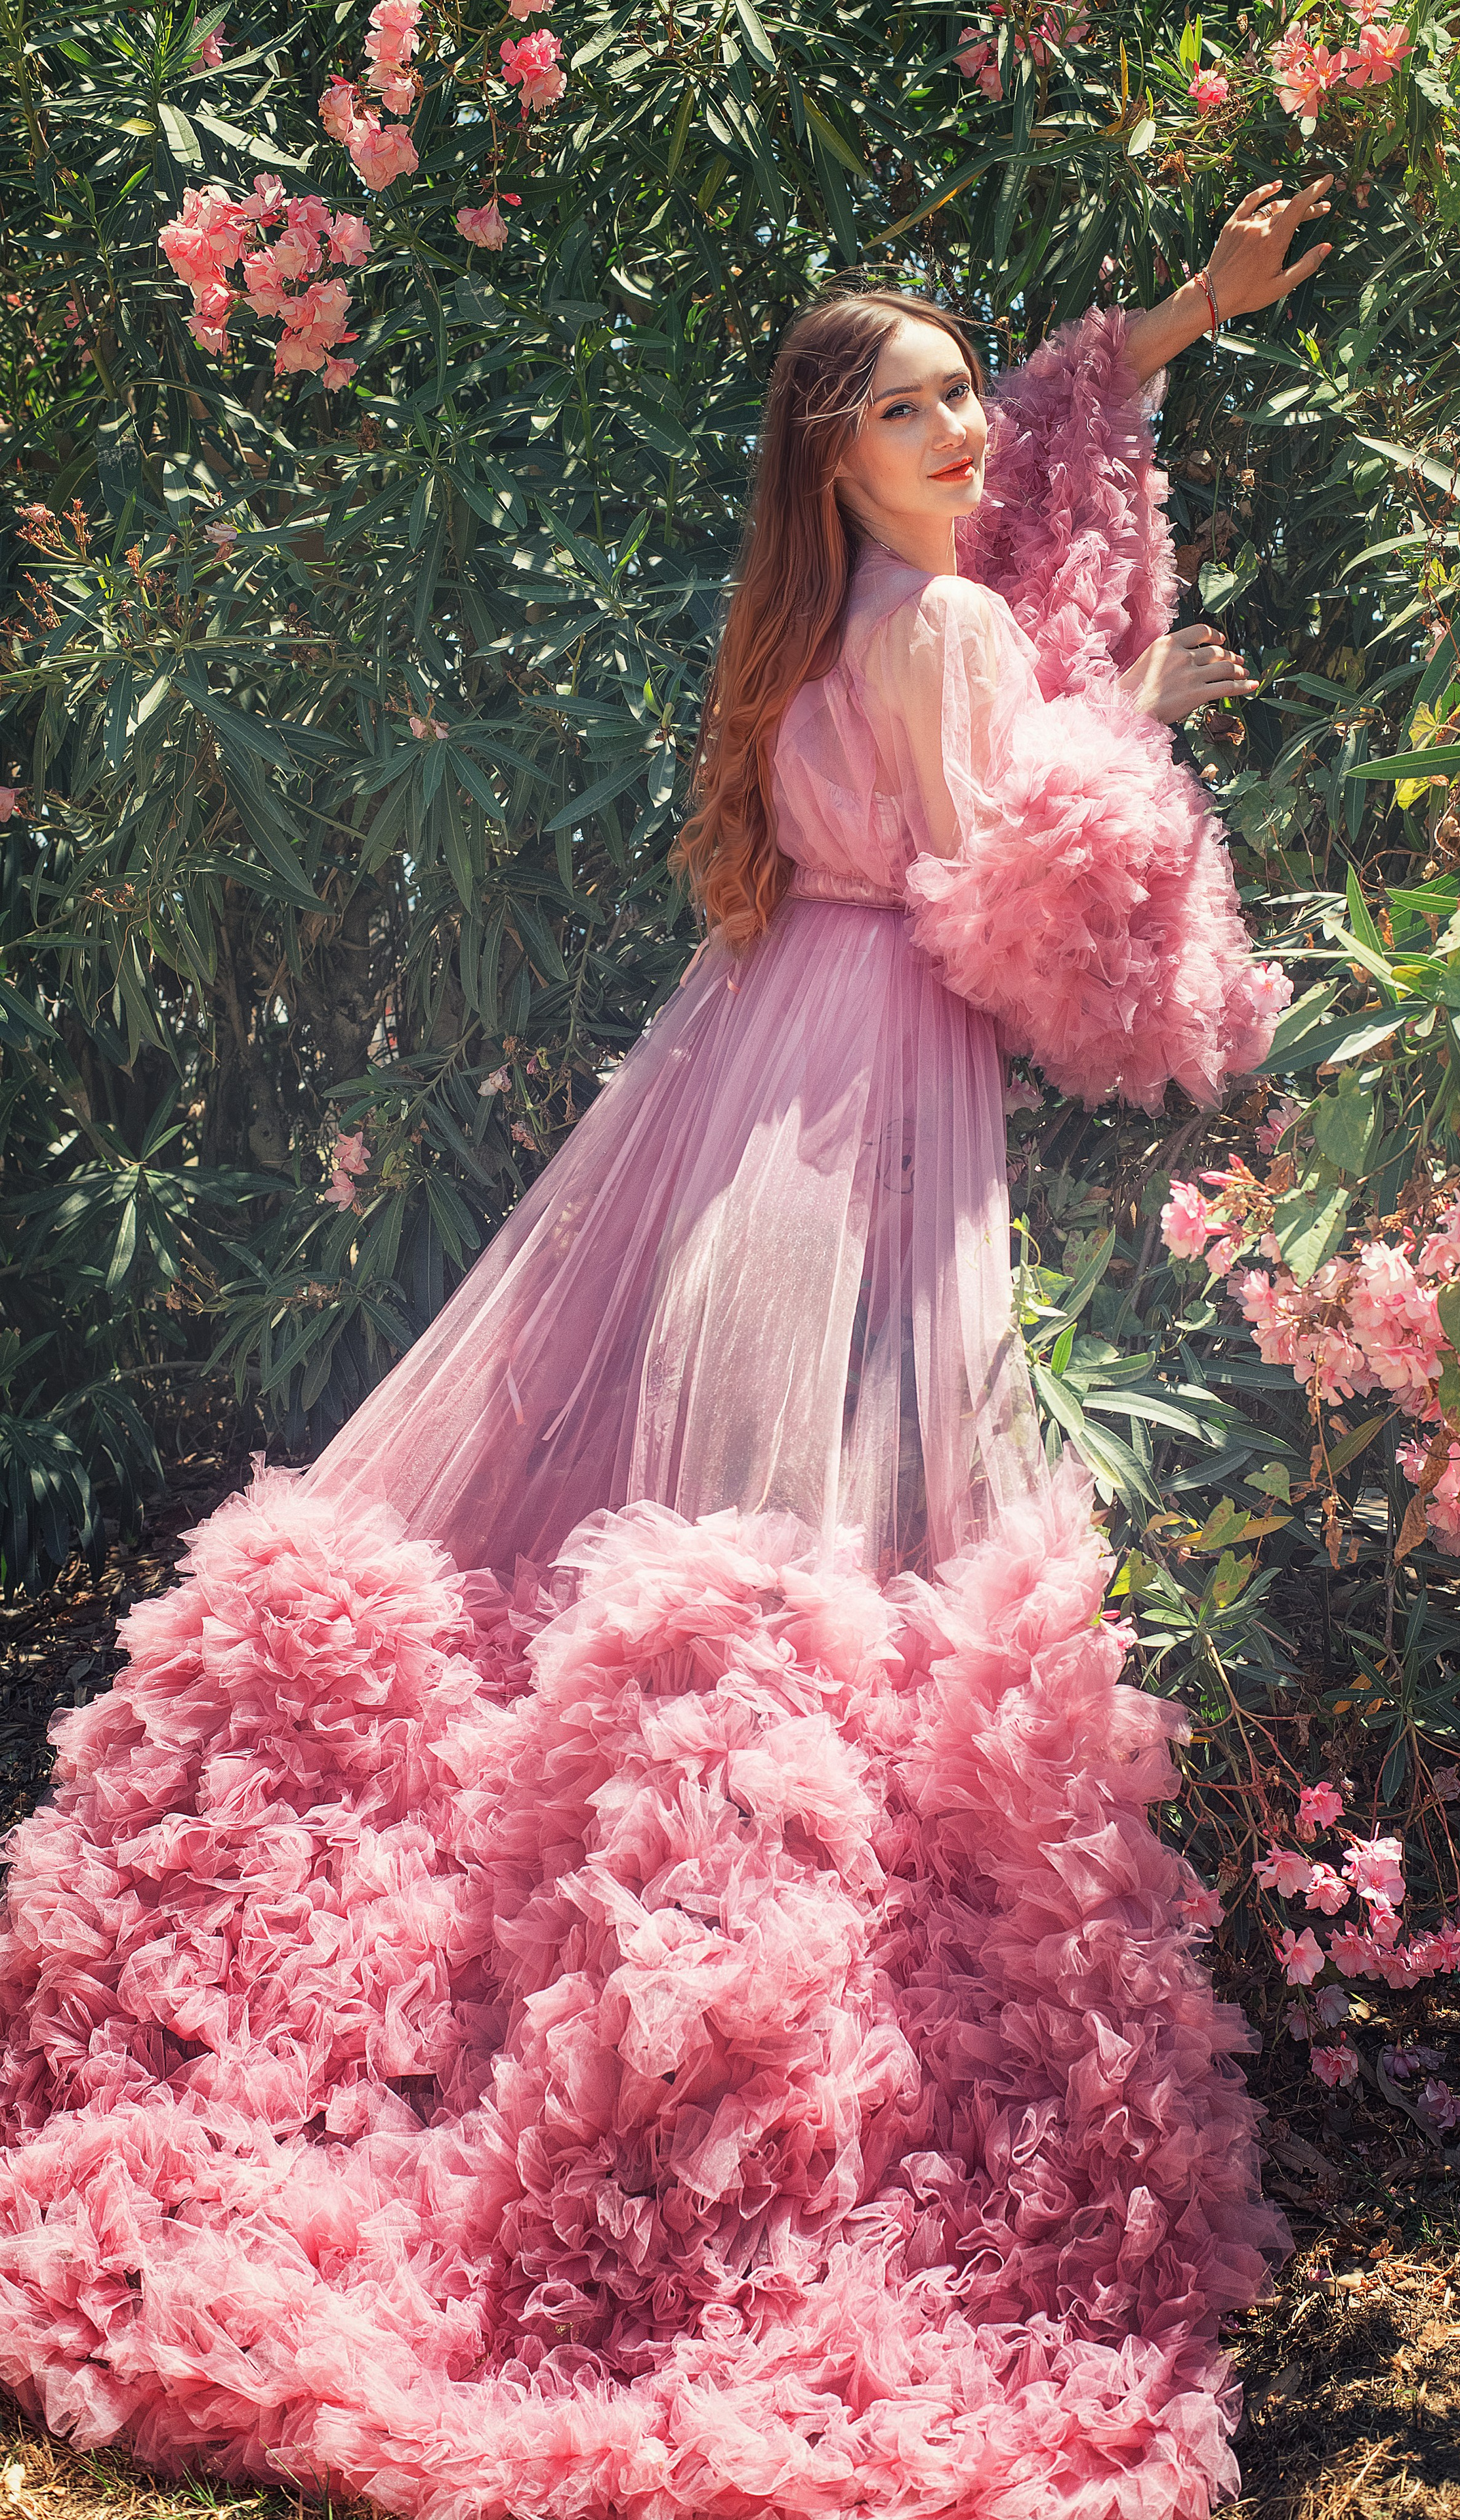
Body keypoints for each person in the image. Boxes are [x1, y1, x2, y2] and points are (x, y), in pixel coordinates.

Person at [0, 180, 1331, 2520]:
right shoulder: (952, 644)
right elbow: (1024, 916)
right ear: (837, 449)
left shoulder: (824, 621)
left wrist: (1189, 317)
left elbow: (1030, 461)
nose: (956, 436)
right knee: (846, 1510)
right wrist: (1155, 719)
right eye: (906, 406)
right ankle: (720, 2038)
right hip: (882, 1084)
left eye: (954, 397)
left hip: (747, 1063)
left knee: (694, 1489)